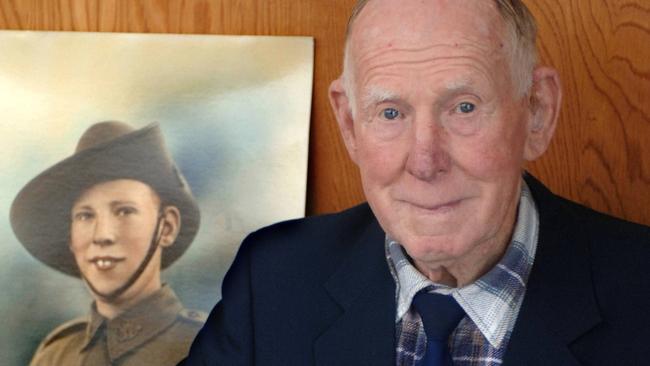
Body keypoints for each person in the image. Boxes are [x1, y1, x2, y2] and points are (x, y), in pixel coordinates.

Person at [181, 0, 650, 365]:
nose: (425, 161)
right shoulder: (274, 281)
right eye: (390, 113)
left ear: (537, 112)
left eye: (463, 107)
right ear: (348, 123)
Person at [11, 121, 206, 365]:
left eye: (124, 211)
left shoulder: (212, 346)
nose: (102, 235)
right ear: (70, 237)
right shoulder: (56, 356)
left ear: (166, 226)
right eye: (85, 215)